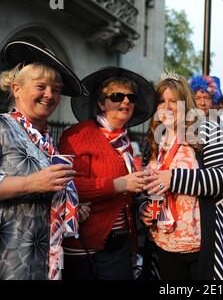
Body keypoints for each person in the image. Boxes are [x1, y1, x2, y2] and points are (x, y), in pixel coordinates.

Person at [0, 40, 84, 279]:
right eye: (41, 86)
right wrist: (30, 183)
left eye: (56, 89)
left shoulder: (47, 140)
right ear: (16, 88)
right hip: (3, 260)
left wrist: (70, 205)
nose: (49, 95)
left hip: (42, 260)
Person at [139, 72, 223, 280]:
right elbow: (147, 186)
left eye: (174, 101)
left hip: (201, 245)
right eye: (162, 101)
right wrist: (143, 208)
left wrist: (173, 179)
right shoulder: (155, 140)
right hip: (165, 243)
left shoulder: (207, 130)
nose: (167, 107)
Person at [59, 67, 156, 280]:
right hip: (86, 246)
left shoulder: (125, 142)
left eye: (131, 97)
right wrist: (119, 184)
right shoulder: (77, 135)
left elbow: (127, 195)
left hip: (120, 245)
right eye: (116, 96)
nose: (125, 102)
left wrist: (141, 205)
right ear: (101, 103)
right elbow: (68, 185)